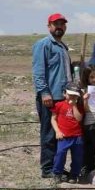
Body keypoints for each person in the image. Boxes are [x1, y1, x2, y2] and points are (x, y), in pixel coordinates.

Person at [33, 13, 73, 179]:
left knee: (60, 133)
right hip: (50, 97)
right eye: (56, 24)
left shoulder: (63, 47)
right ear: (49, 26)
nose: (59, 27)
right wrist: (44, 92)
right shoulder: (43, 44)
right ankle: (48, 168)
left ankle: (57, 166)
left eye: (62, 24)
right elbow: (38, 71)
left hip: (63, 97)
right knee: (49, 133)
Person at [51, 82, 84, 183]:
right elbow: (53, 119)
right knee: (60, 154)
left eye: (75, 95)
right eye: (70, 94)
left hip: (77, 136)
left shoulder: (79, 106)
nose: (72, 97)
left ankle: (74, 175)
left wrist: (74, 106)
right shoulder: (59, 105)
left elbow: (79, 118)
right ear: (64, 93)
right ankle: (57, 173)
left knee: (77, 156)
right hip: (64, 136)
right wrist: (57, 131)